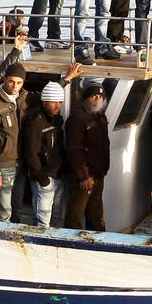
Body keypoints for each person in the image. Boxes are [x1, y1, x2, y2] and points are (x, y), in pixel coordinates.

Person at [0, 63, 28, 221]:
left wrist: (66, 80)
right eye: (11, 81)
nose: (15, 86)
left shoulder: (24, 97)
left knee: (17, 208)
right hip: (3, 165)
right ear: (5, 79)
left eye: (19, 82)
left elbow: (48, 98)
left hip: (20, 164)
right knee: (3, 211)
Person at [64, 82, 110, 231]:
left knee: (96, 216)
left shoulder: (101, 117)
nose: (97, 100)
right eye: (93, 96)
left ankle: (97, 246)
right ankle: (69, 246)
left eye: (100, 97)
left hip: (98, 175)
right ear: (85, 99)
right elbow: (74, 149)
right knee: (75, 216)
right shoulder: (77, 119)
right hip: (83, 177)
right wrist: (83, 176)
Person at [23, 81, 66, 228]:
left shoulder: (57, 120)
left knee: (56, 219)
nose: (57, 106)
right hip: (44, 177)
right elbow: (31, 153)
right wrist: (42, 179)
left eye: (60, 102)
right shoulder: (35, 121)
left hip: (58, 175)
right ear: (45, 101)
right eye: (54, 102)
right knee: (42, 223)